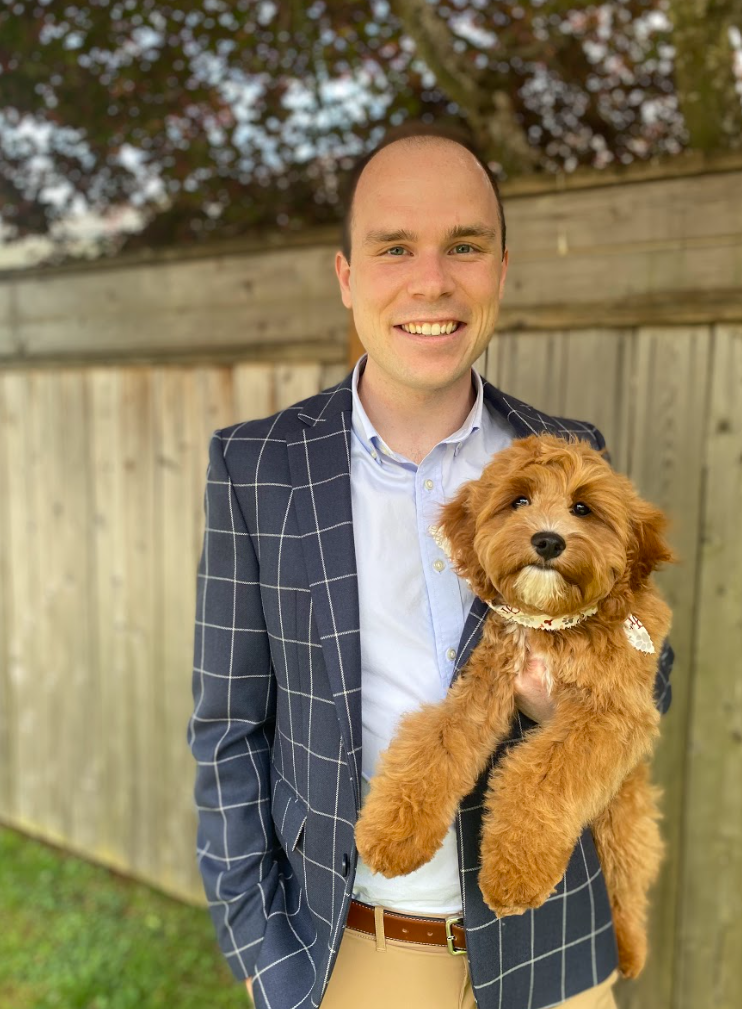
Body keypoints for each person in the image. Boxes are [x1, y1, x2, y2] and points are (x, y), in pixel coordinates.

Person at [187, 123, 673, 1009]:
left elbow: (646, 646)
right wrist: (266, 957)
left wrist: (585, 687)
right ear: (346, 276)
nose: (432, 280)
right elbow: (228, 729)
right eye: (395, 247)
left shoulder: (568, 454)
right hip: (355, 960)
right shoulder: (256, 469)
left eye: (464, 246)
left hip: (553, 955)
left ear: (500, 268)